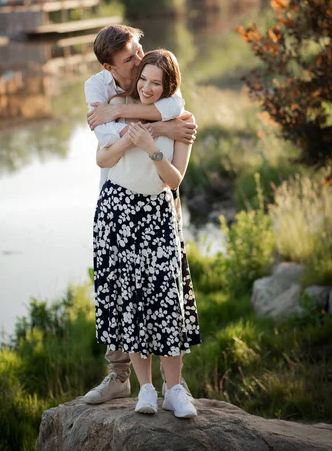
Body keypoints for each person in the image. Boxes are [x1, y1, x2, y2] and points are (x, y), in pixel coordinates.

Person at [83, 25, 197, 405]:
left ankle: (173, 387)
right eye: (131, 59)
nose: (139, 60)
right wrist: (140, 125)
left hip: (157, 201)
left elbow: (174, 110)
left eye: (139, 51)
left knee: (164, 293)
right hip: (117, 195)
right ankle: (126, 379)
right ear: (110, 66)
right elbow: (106, 144)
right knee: (124, 295)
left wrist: (147, 126)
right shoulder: (98, 89)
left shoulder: (155, 85)